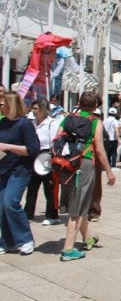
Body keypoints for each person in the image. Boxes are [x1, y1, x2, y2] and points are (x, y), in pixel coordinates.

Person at [58, 92, 116, 261]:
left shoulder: (68, 119)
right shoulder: (95, 121)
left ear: (79, 102)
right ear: (95, 106)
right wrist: (109, 171)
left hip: (66, 163)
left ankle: (87, 238)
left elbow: (57, 138)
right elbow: (99, 148)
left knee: (80, 202)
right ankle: (68, 248)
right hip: (85, 162)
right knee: (78, 206)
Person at [0, 92, 40, 255]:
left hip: (20, 170)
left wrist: (8, 147)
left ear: (10, 105)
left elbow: (33, 149)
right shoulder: (3, 123)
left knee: (11, 202)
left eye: (1, 104)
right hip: (3, 169)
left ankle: (26, 239)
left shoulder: (24, 124)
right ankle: (8, 242)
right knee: (2, 206)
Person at [24, 99, 62, 226]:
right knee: (32, 186)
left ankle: (52, 215)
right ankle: (28, 214)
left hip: (47, 154)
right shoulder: (31, 123)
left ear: (43, 110)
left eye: (36, 109)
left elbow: (55, 141)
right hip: (33, 154)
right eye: (33, 108)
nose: (34, 111)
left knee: (49, 187)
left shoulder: (52, 123)